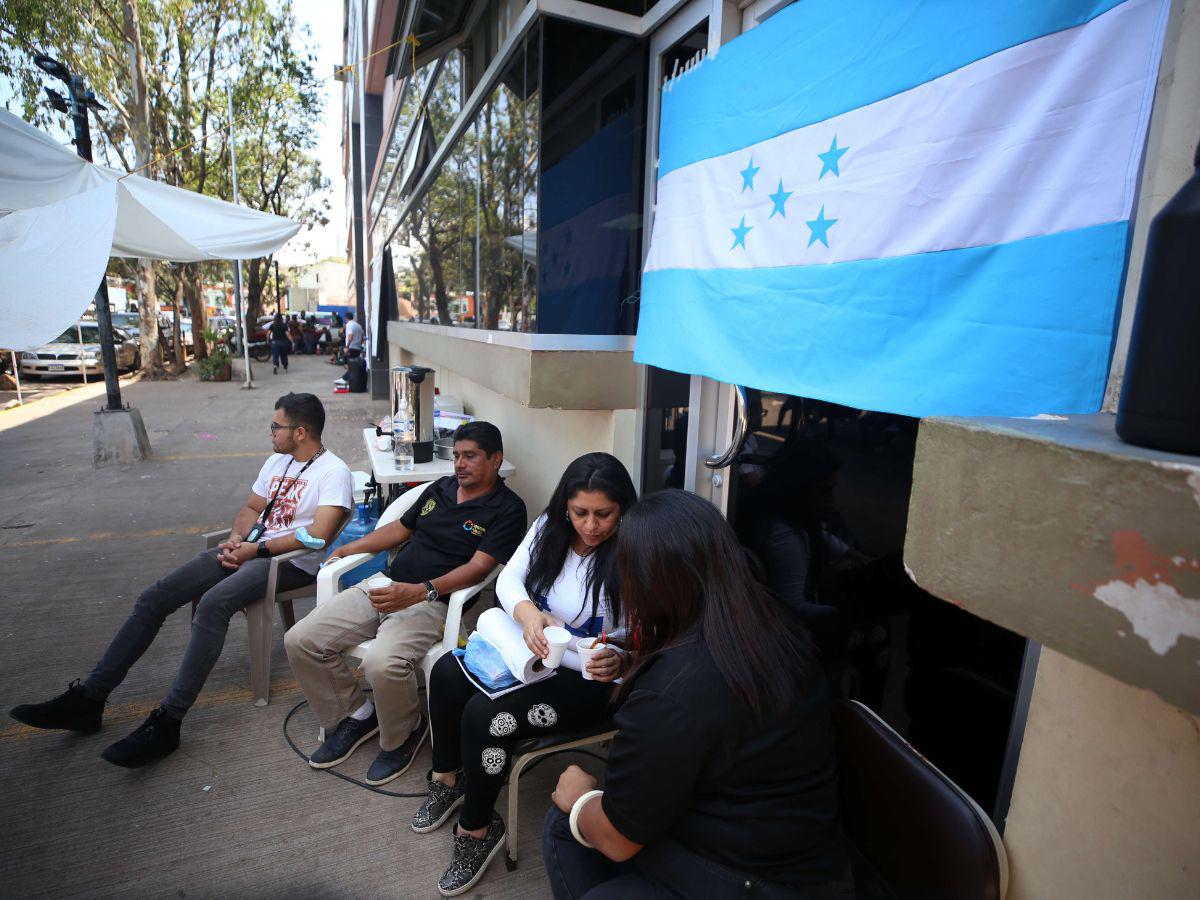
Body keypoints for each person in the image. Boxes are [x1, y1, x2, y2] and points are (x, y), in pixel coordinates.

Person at [10, 393, 353, 767]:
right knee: (154, 598)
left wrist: (256, 551)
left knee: (212, 605)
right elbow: (252, 508)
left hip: (287, 564)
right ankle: (89, 699)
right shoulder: (277, 462)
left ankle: (169, 721)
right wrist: (239, 538)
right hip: (248, 551)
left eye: (277, 426)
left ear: (300, 432)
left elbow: (318, 535)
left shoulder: (334, 472)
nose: (270, 432)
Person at [542, 490, 853, 899]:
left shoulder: (675, 688)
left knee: (567, 822)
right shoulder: (771, 622)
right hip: (800, 854)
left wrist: (580, 799)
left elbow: (620, 838)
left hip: (755, 878)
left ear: (647, 582)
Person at [415, 452, 638, 897]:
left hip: (590, 679)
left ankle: (477, 831)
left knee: (486, 717)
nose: (590, 526)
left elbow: (638, 633)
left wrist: (617, 658)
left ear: (623, 510)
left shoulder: (636, 549)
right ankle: (447, 779)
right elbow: (508, 580)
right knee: (445, 673)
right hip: (530, 650)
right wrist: (529, 614)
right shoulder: (550, 528)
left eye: (603, 514)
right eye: (580, 513)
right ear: (565, 507)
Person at [284, 421, 526, 786]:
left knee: (382, 664)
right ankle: (356, 714)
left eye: (470, 456)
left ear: (495, 459)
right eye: (457, 456)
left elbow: (479, 569)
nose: (460, 464)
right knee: (300, 640)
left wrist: (420, 591)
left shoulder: (507, 509)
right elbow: (400, 529)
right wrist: (352, 547)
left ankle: (402, 735)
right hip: (385, 585)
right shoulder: (442, 488)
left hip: (431, 602)